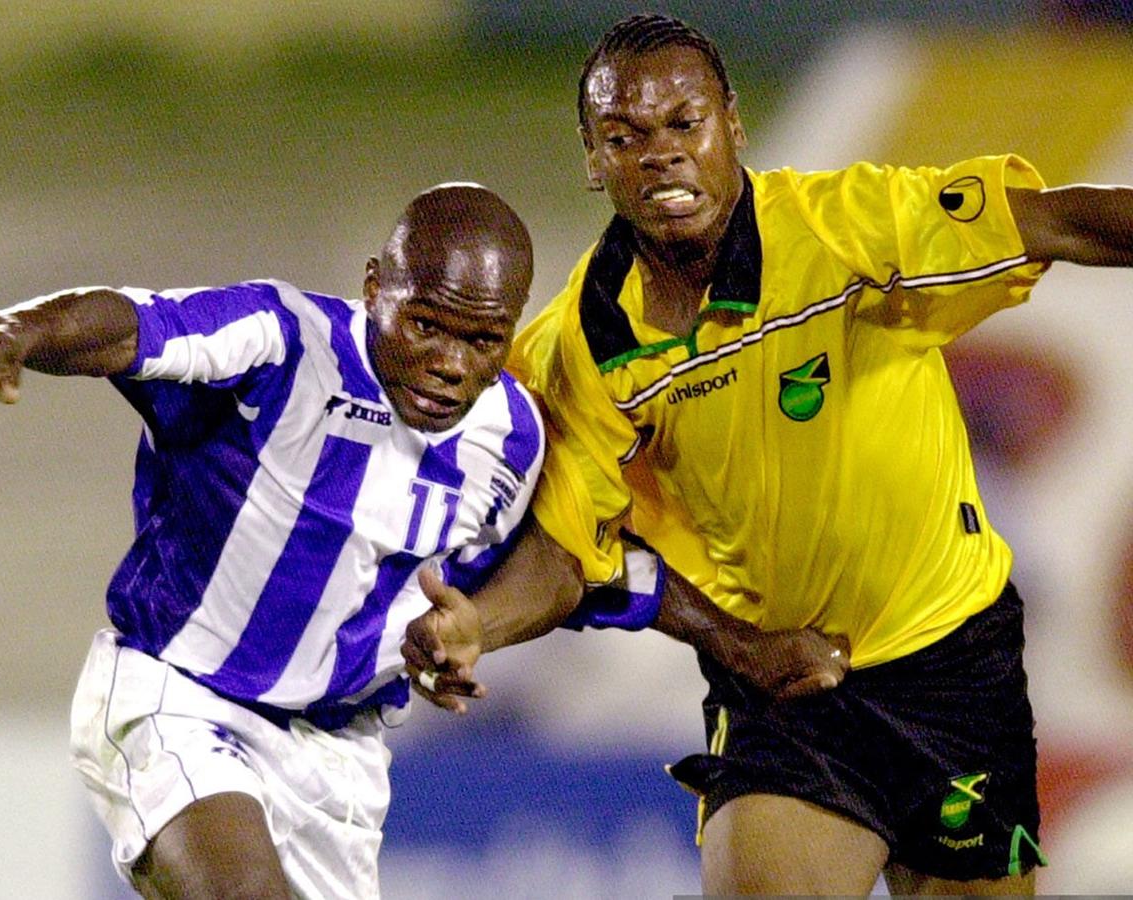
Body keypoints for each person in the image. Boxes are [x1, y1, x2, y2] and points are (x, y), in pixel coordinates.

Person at [402, 13, 1133, 897]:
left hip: (951, 666)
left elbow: (1060, 225)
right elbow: (567, 553)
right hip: (784, 688)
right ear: (594, 162)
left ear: (733, 129)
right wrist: (479, 624)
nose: (662, 154)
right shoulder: (580, 350)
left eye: (685, 124)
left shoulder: (845, 231)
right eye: (626, 136)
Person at [0, 183, 556, 900]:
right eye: (426, 326)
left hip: (337, 756)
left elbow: (528, 577)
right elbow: (130, 326)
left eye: (483, 341)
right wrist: (24, 332)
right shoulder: (280, 338)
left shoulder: (512, 440)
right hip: (179, 696)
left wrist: (456, 640)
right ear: (374, 286)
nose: (452, 363)